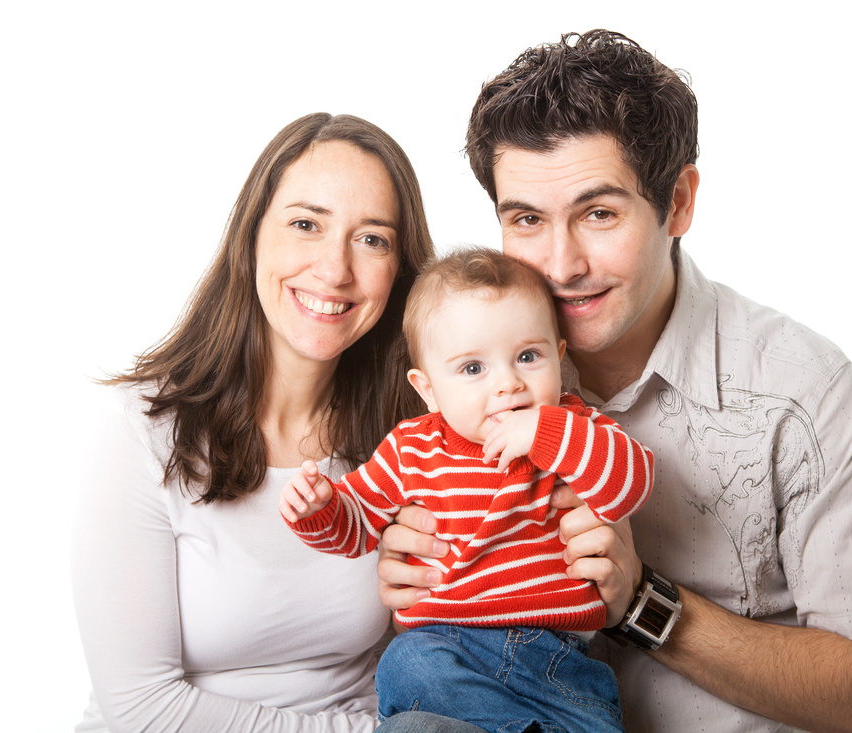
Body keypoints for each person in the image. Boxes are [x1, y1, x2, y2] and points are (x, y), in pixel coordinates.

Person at [378, 30, 852, 732]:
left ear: (678, 202)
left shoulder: (802, 394)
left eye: (599, 213)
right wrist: (409, 570)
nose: (561, 263)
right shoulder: (468, 375)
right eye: (526, 219)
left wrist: (641, 601)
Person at [71, 112, 433, 732]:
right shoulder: (141, 434)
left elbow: (415, 663)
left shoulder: (407, 441)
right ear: (252, 236)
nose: (335, 270)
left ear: (400, 269)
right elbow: (142, 710)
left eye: (372, 239)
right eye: (305, 225)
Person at [280, 248, 654, 733]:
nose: (508, 384)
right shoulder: (413, 448)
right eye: (473, 368)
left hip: (553, 658)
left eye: (527, 356)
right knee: (403, 666)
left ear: (559, 357)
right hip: (445, 647)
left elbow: (632, 482)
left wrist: (548, 434)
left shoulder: (571, 427)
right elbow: (356, 528)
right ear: (428, 388)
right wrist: (320, 508)